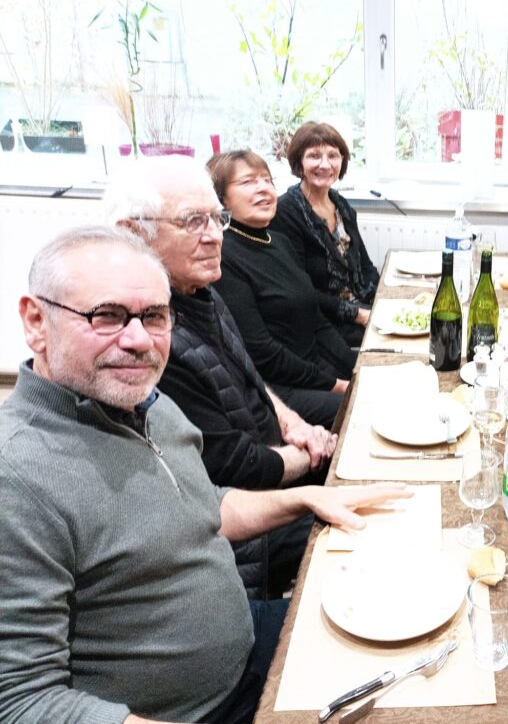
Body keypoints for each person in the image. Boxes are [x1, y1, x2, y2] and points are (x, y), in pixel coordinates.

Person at [0, 225, 410, 723]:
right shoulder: (17, 476)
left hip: (248, 641)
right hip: (193, 712)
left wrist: (305, 501)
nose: (137, 341)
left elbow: (202, 504)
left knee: (410, 633)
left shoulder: (148, 403)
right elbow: (22, 701)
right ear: (36, 321)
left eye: (154, 316)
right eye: (106, 316)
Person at [109, 155, 337, 596]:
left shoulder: (202, 293)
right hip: (246, 533)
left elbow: (252, 375)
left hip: (273, 462)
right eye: (194, 221)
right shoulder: (148, 342)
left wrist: (295, 424)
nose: (216, 237)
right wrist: (315, 453)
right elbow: (231, 466)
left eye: (217, 219)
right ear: (133, 232)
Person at [208, 150, 354, 429]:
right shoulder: (224, 256)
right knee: (363, 410)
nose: (263, 187)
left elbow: (317, 321)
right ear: (221, 199)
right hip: (276, 389)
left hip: (313, 370)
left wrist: (356, 369)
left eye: (267, 179)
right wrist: (338, 385)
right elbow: (264, 354)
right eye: (248, 182)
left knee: (384, 383)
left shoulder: (279, 241)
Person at [271, 121, 379, 346]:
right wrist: (359, 315)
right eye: (314, 156)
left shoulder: (342, 206)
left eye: (333, 155)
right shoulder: (285, 212)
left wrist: (382, 302)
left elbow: (366, 266)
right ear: (299, 161)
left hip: (361, 308)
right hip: (324, 323)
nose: (325, 164)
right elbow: (301, 290)